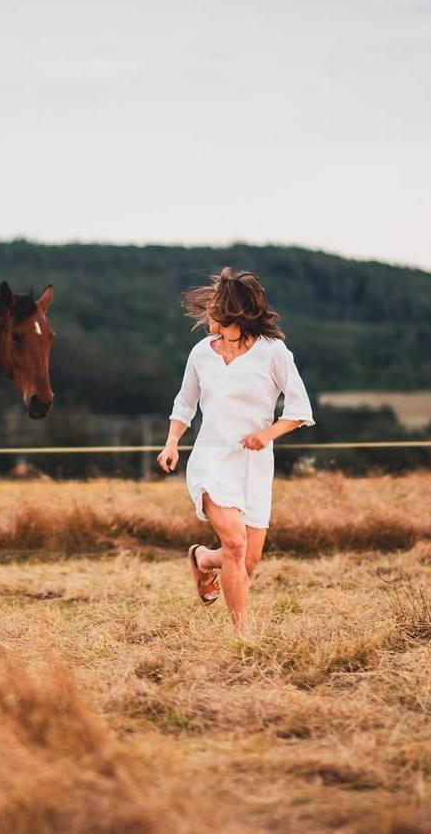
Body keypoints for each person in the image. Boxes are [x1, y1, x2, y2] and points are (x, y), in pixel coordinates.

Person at [157, 268, 315, 634]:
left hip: (254, 465)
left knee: (246, 560)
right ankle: (242, 636)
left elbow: (299, 410)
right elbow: (185, 403)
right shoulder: (201, 353)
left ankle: (201, 558)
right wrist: (171, 444)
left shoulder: (274, 353)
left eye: (214, 309)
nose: (207, 315)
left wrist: (268, 433)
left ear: (234, 313)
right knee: (235, 542)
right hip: (211, 459)